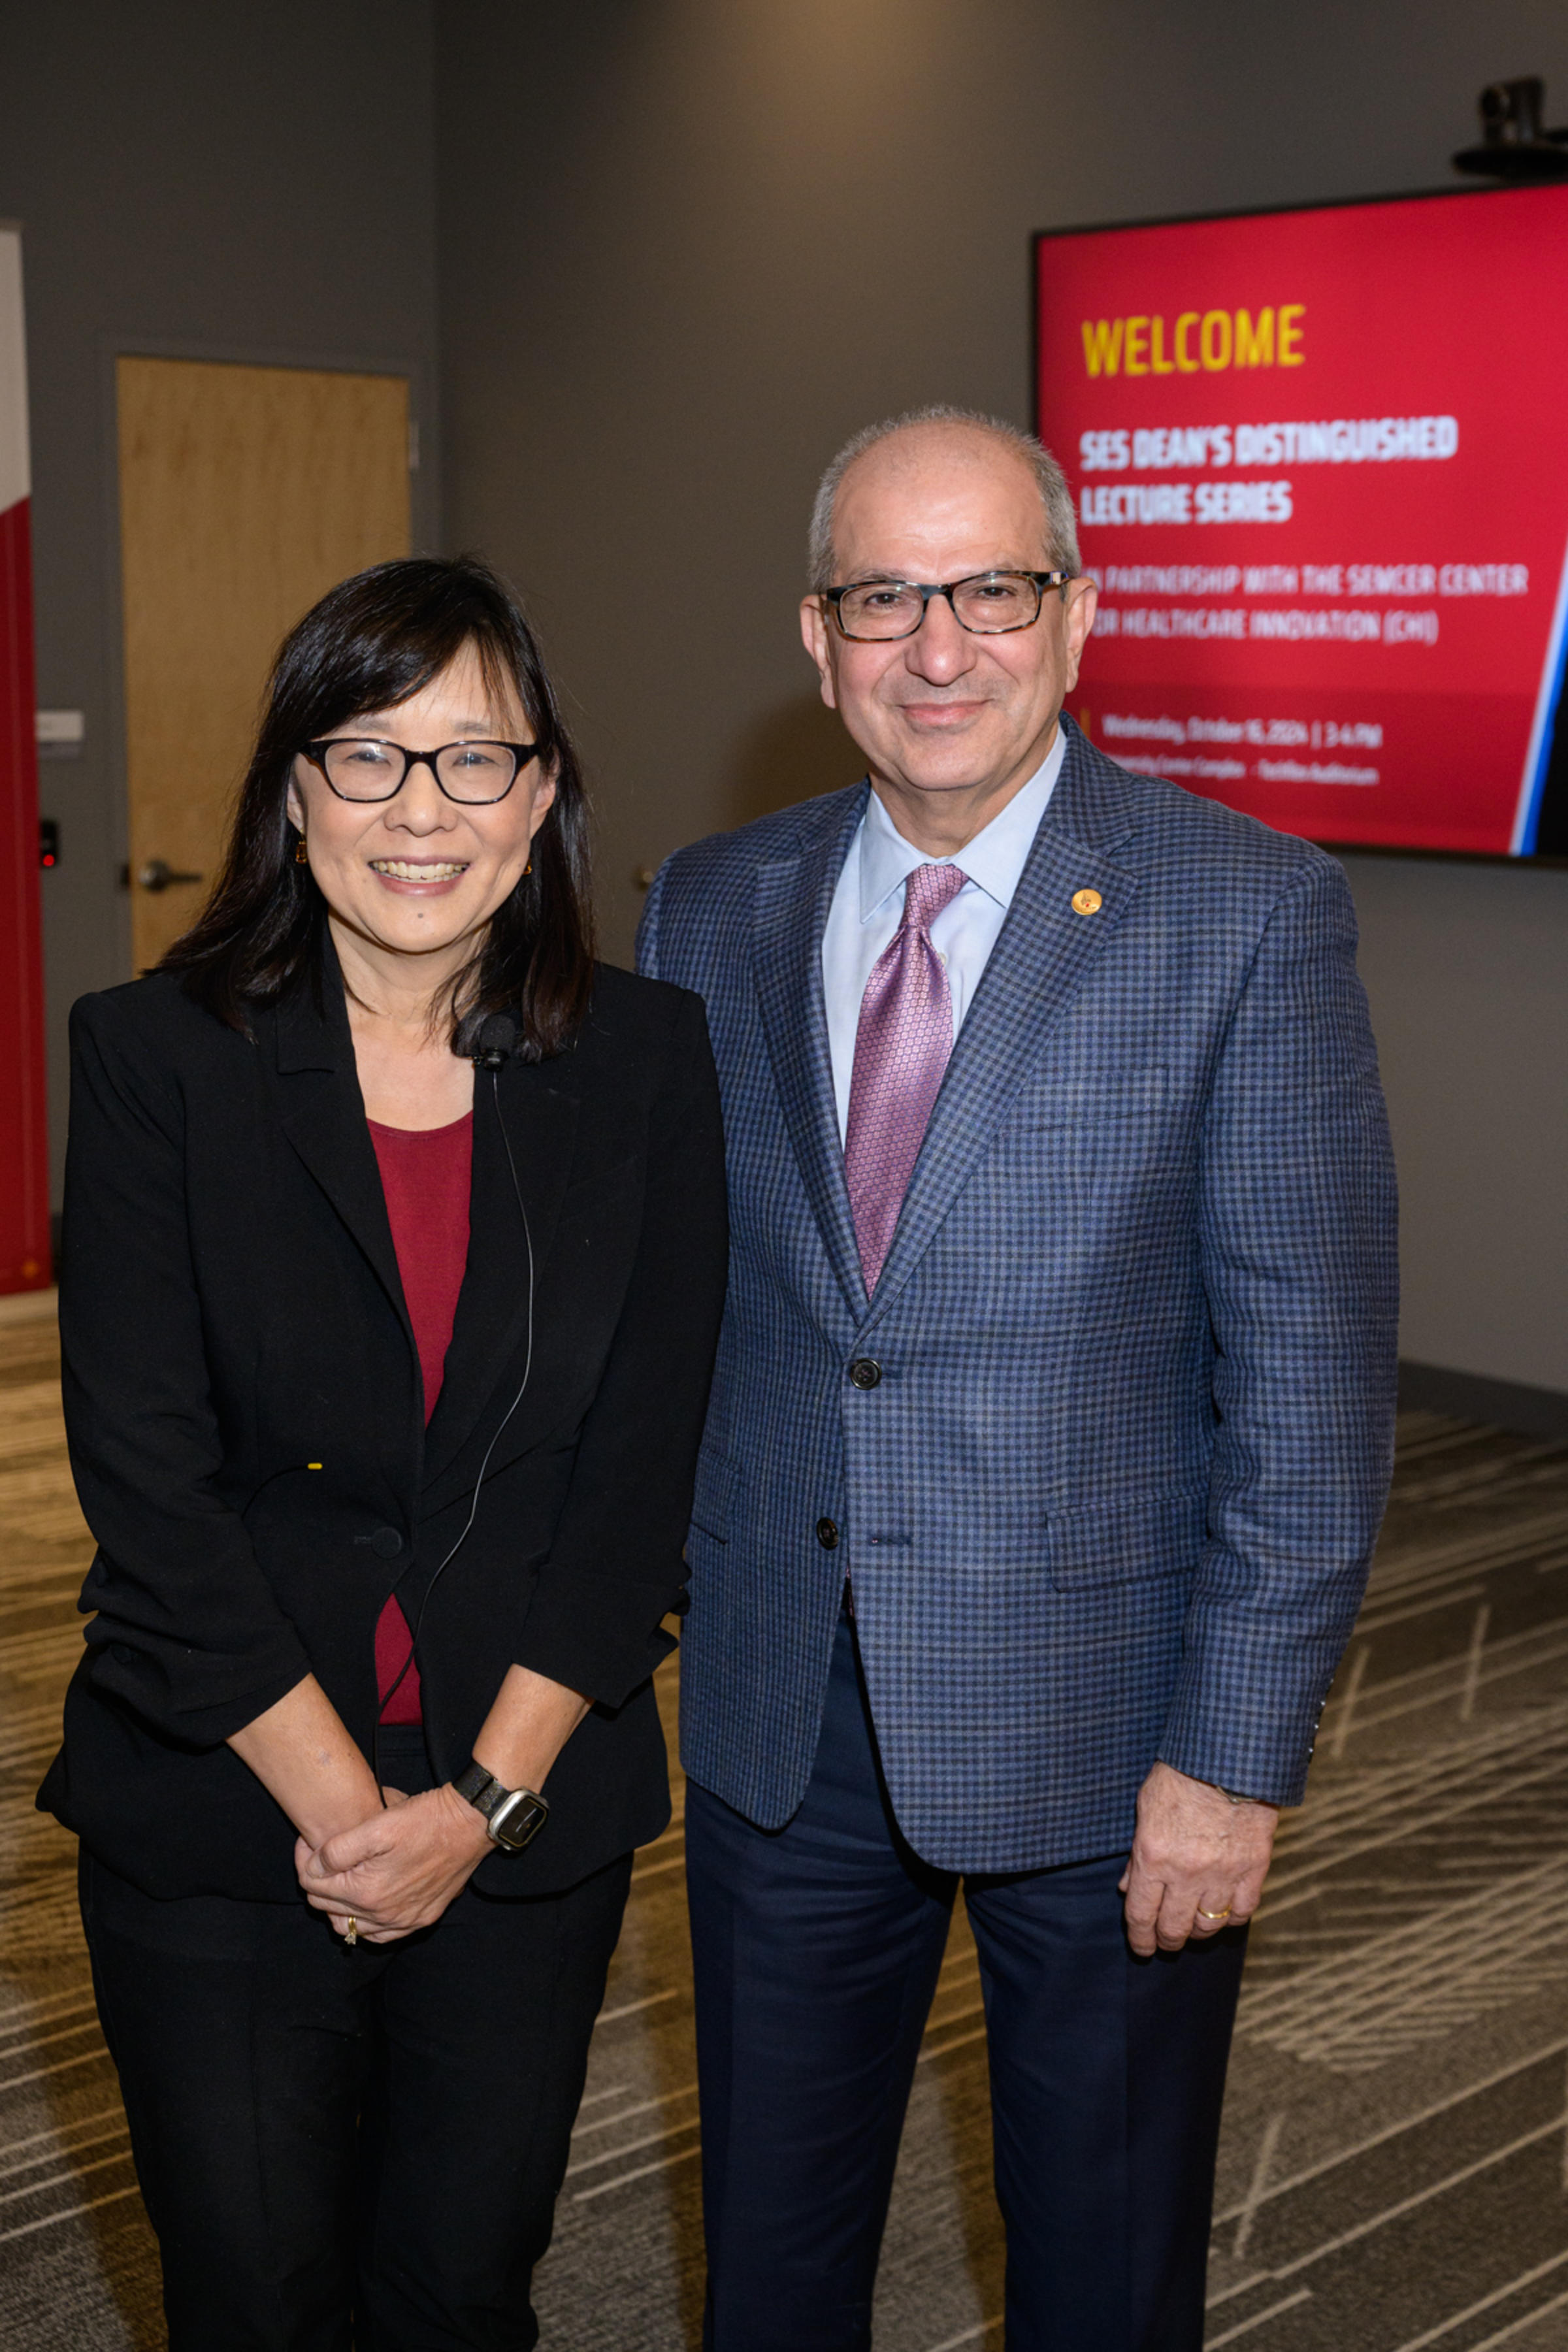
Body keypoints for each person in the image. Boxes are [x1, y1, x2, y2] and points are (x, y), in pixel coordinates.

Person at [637, 405, 1397, 2350]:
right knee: (774, 2273)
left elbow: (1309, 1390)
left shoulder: (1247, 910)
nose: (940, 646)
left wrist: (1234, 1759)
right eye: (887, 596)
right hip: (780, 1718)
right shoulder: (708, 905)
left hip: (1111, 1733)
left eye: (991, 588)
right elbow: (678, 1307)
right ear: (818, 642)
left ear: (1079, 617)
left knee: (1101, 2276)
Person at [39, 555, 727, 2351]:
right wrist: (361, 1826)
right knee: (253, 2298)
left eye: (475, 759)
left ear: (546, 791)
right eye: (367, 756)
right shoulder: (151, 1063)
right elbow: (152, 1492)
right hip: (231, 1807)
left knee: (459, 2291)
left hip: (522, 1811)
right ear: (292, 787)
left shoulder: (649, 1062)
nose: (422, 812)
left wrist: (476, 1809)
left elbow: (640, 1479)